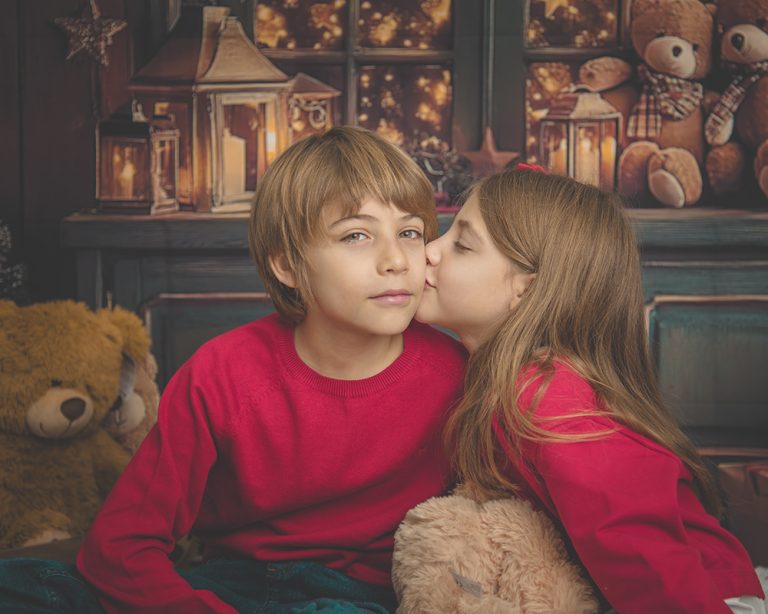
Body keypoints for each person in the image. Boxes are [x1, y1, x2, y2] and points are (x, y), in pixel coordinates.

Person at [0, 127, 466, 613]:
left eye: (410, 232)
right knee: (23, 582)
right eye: (356, 235)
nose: (395, 260)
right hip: (232, 586)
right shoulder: (220, 374)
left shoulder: (455, 375)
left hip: (362, 596)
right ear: (287, 265)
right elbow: (120, 543)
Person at [414, 167, 765, 614]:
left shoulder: (547, 396)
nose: (429, 251)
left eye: (461, 245)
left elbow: (636, 545)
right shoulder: (491, 375)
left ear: (528, 289)